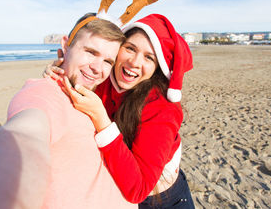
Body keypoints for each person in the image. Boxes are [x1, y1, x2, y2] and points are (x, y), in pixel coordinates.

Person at [0, 13, 136, 209]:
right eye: (90, 52)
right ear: (66, 46)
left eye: (108, 61)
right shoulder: (44, 93)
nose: (98, 68)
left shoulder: (90, 96)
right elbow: (25, 135)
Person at [45, 14, 195, 208]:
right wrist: (56, 71)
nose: (134, 62)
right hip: (115, 192)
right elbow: (73, 81)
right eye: (130, 48)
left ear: (157, 67)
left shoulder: (162, 107)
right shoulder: (103, 78)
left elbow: (139, 189)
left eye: (149, 57)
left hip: (162, 199)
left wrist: (102, 120)